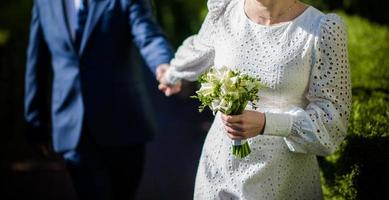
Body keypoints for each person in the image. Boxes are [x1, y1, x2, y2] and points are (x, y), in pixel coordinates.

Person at [159, 0, 351, 199]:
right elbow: (198, 52)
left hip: (282, 180)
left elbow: (332, 122)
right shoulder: (225, 10)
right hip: (218, 169)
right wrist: (171, 74)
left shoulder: (323, 28)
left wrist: (268, 123)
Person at [24, 0, 180, 199]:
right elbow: (36, 62)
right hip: (73, 126)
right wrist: (35, 120)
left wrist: (163, 64)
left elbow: (148, 34)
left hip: (124, 123)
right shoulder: (44, 4)